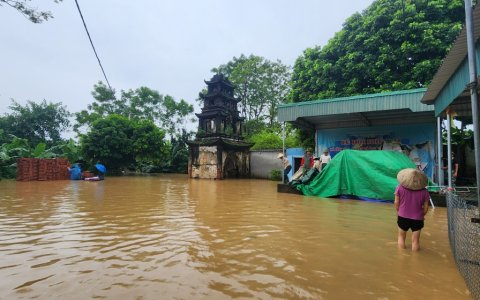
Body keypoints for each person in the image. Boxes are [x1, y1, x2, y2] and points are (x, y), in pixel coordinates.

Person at [394, 168, 430, 251]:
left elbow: (396, 203)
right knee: (415, 241)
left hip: (402, 216)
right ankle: (415, 260)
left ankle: (401, 258)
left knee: (401, 238)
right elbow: (426, 207)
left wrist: (399, 212)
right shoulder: (424, 191)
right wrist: (422, 215)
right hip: (417, 218)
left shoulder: (399, 188)